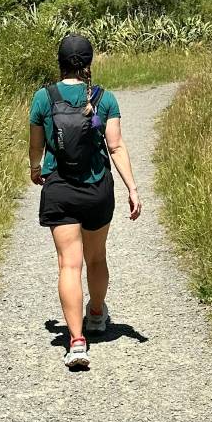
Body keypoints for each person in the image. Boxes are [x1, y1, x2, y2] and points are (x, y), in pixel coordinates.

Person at [29, 33, 142, 370]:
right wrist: (133, 188)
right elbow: (116, 146)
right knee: (96, 258)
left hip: (60, 189)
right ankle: (96, 313)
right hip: (97, 191)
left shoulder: (43, 98)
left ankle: (76, 342)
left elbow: (36, 146)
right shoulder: (105, 99)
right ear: (89, 64)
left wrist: (36, 168)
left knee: (69, 264)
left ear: (60, 62)